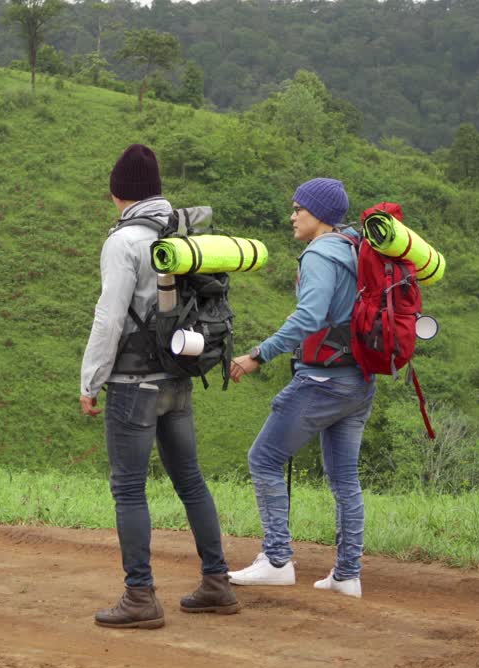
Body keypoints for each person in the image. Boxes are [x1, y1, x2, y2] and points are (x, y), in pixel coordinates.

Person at [80, 144, 239, 629]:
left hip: (133, 384)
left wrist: (91, 379)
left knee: (129, 489)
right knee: (190, 481)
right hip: (177, 376)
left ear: (117, 194)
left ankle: (140, 597)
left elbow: (109, 318)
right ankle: (217, 582)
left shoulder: (123, 241)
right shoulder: (177, 232)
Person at [226, 178, 374, 599]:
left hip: (323, 381)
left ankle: (276, 560)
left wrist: (257, 354)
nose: (292, 216)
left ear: (320, 215)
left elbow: (309, 317)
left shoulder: (320, 254)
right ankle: (347, 575)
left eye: (299, 209)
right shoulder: (354, 246)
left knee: (264, 458)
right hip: (359, 380)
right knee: (345, 479)